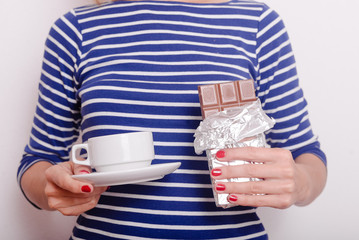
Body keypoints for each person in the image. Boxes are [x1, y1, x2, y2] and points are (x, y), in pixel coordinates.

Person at [17, 0, 327, 239]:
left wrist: (299, 183)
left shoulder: (258, 25)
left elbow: (306, 155)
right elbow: (38, 160)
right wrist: (52, 189)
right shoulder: (75, 30)